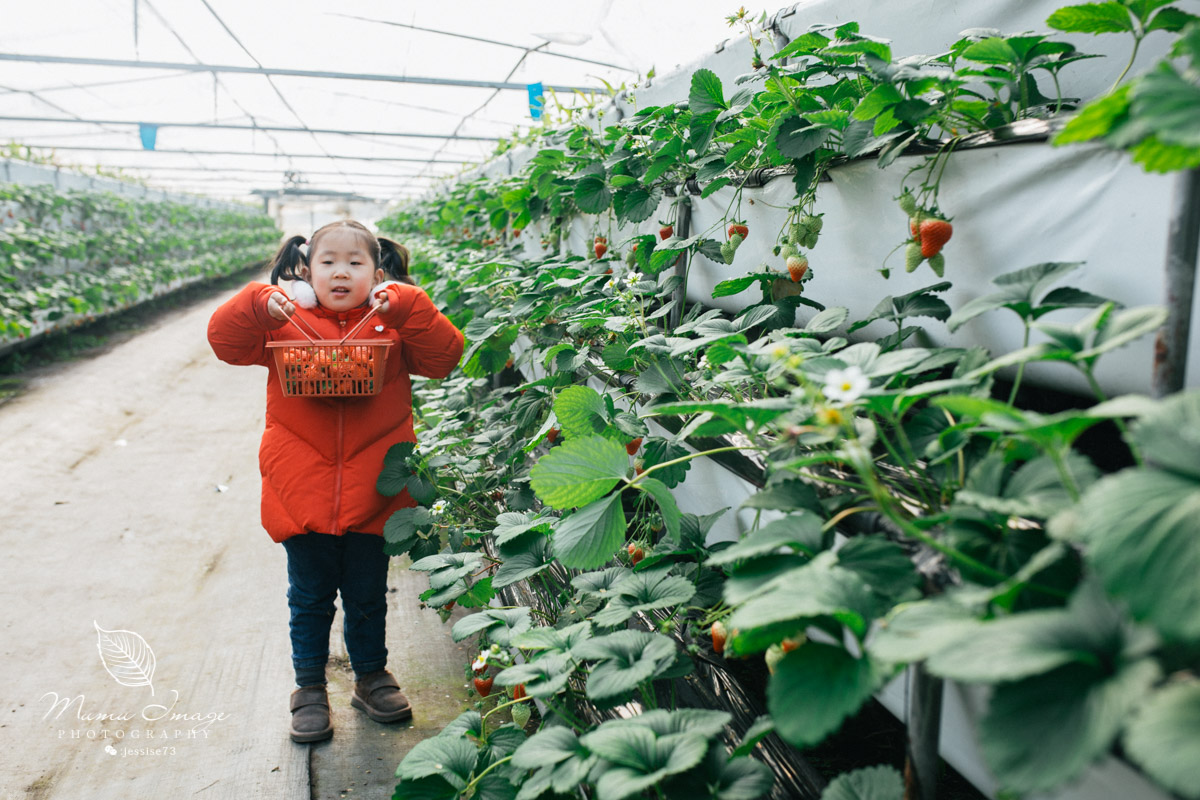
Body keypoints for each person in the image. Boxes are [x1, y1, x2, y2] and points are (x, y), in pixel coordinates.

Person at [207, 220, 464, 743]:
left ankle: (370, 677)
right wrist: (258, 301)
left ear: (377, 272)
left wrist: (412, 307)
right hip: (300, 489)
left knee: (368, 593)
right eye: (328, 262)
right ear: (305, 270)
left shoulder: (390, 325)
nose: (340, 272)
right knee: (309, 596)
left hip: (374, 490)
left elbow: (444, 359)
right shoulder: (286, 319)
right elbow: (225, 342)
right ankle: (308, 688)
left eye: (355, 262)